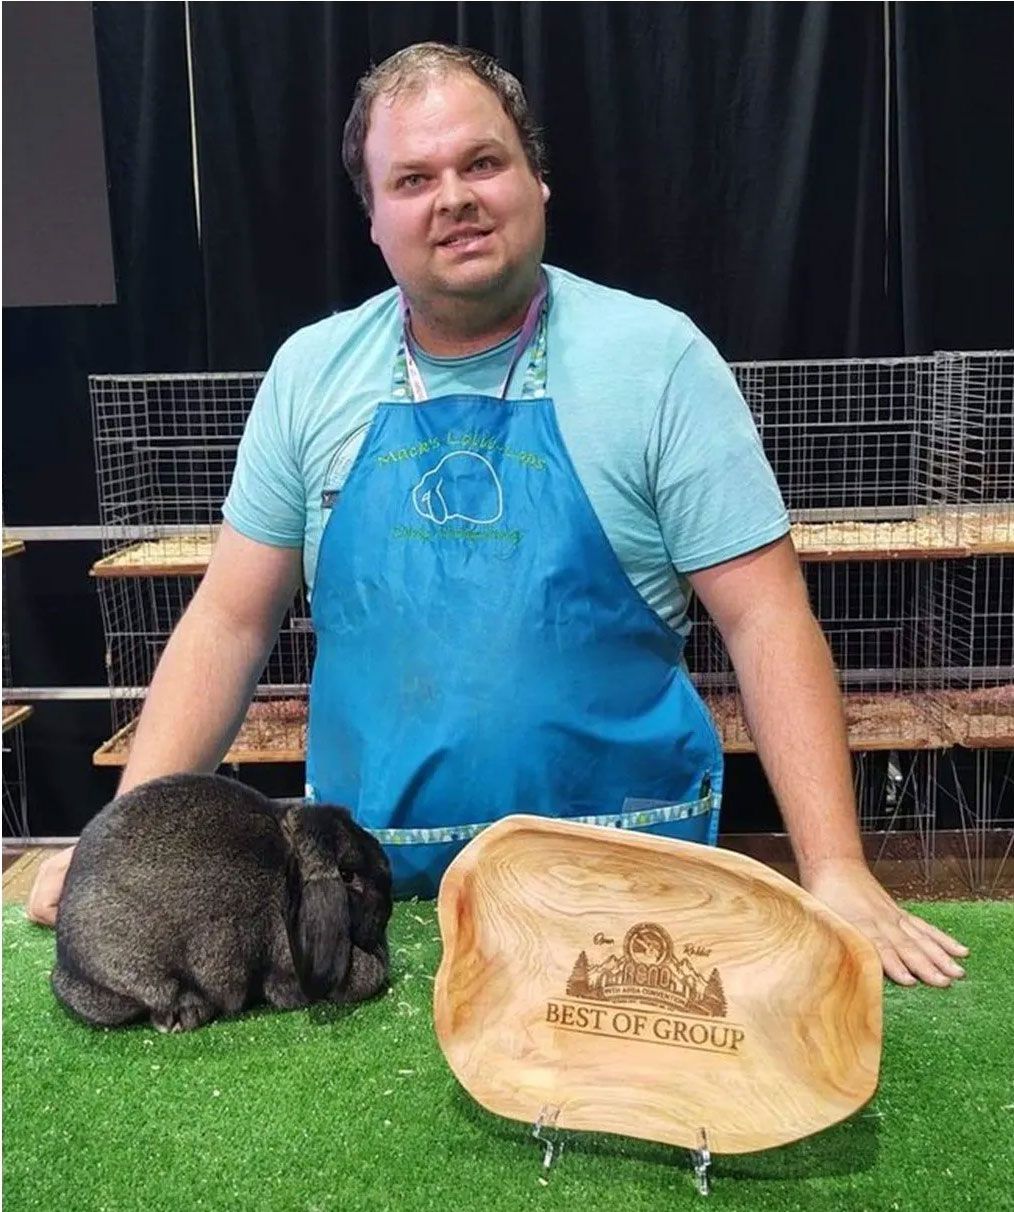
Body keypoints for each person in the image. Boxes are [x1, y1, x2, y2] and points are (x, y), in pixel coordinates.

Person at [29, 42, 968, 989]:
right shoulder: (312, 375)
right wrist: (126, 851)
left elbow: (766, 618)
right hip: (368, 905)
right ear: (375, 218)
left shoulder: (658, 363)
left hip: (629, 883)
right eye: (414, 178)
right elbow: (229, 623)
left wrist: (838, 870)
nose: (455, 197)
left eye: (483, 163)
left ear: (537, 182)